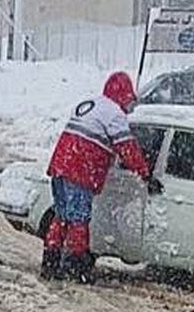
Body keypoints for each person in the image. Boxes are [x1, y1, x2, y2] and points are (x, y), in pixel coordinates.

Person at [43, 71, 161, 282]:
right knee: (79, 220)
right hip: (80, 171)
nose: (128, 106)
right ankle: (75, 268)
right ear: (123, 95)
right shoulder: (114, 114)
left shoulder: (90, 104)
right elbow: (127, 148)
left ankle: (50, 263)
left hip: (60, 165)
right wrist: (145, 174)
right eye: (128, 99)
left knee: (61, 217)